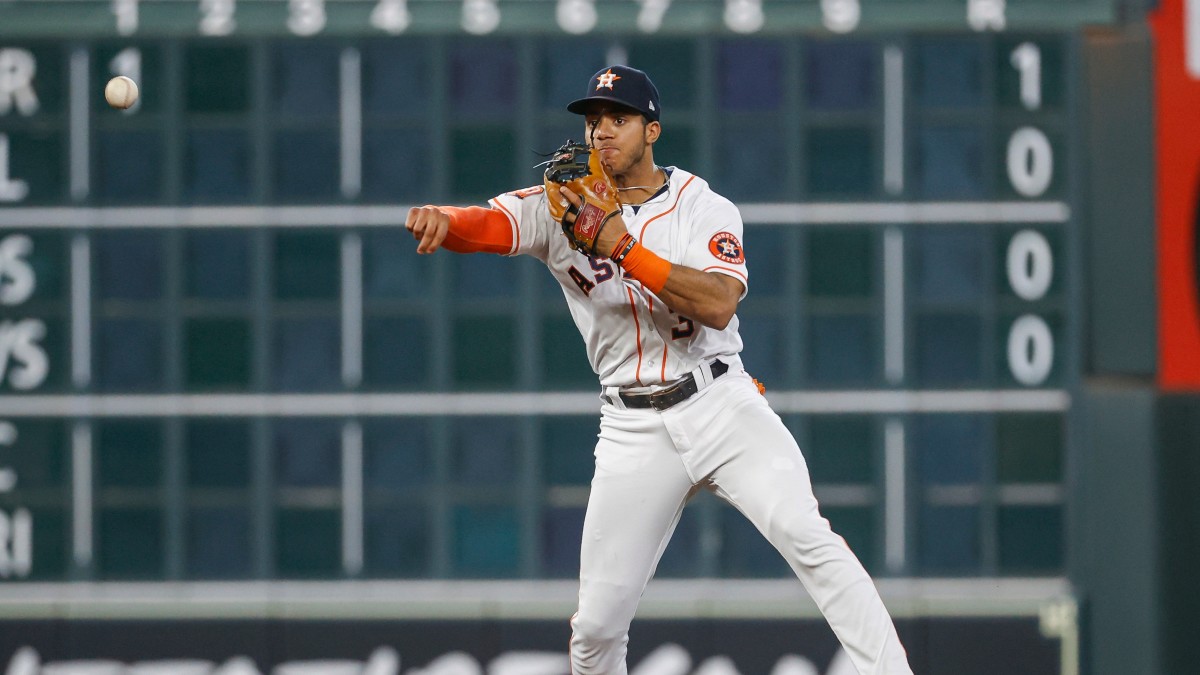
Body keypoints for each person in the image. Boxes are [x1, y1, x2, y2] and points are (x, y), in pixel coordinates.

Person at [405, 65, 912, 675]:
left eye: (617, 120)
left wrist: (622, 247)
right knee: (594, 628)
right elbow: (487, 224)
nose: (600, 134)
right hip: (631, 426)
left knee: (808, 536)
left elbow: (719, 302)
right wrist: (445, 219)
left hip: (719, 403)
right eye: (593, 123)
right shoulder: (562, 208)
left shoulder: (704, 207)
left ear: (653, 131)